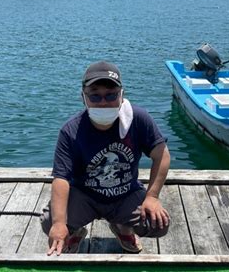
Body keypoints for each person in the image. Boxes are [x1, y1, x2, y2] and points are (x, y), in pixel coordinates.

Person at [42, 60, 171, 255]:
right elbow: (61, 178)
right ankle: (74, 230)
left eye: (111, 95)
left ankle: (122, 227)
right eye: (95, 96)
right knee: (49, 222)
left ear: (122, 95)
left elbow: (161, 155)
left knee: (158, 223)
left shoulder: (139, 119)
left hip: (125, 194)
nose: (103, 102)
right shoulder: (71, 130)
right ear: (83, 98)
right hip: (85, 195)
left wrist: (152, 197)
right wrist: (60, 223)